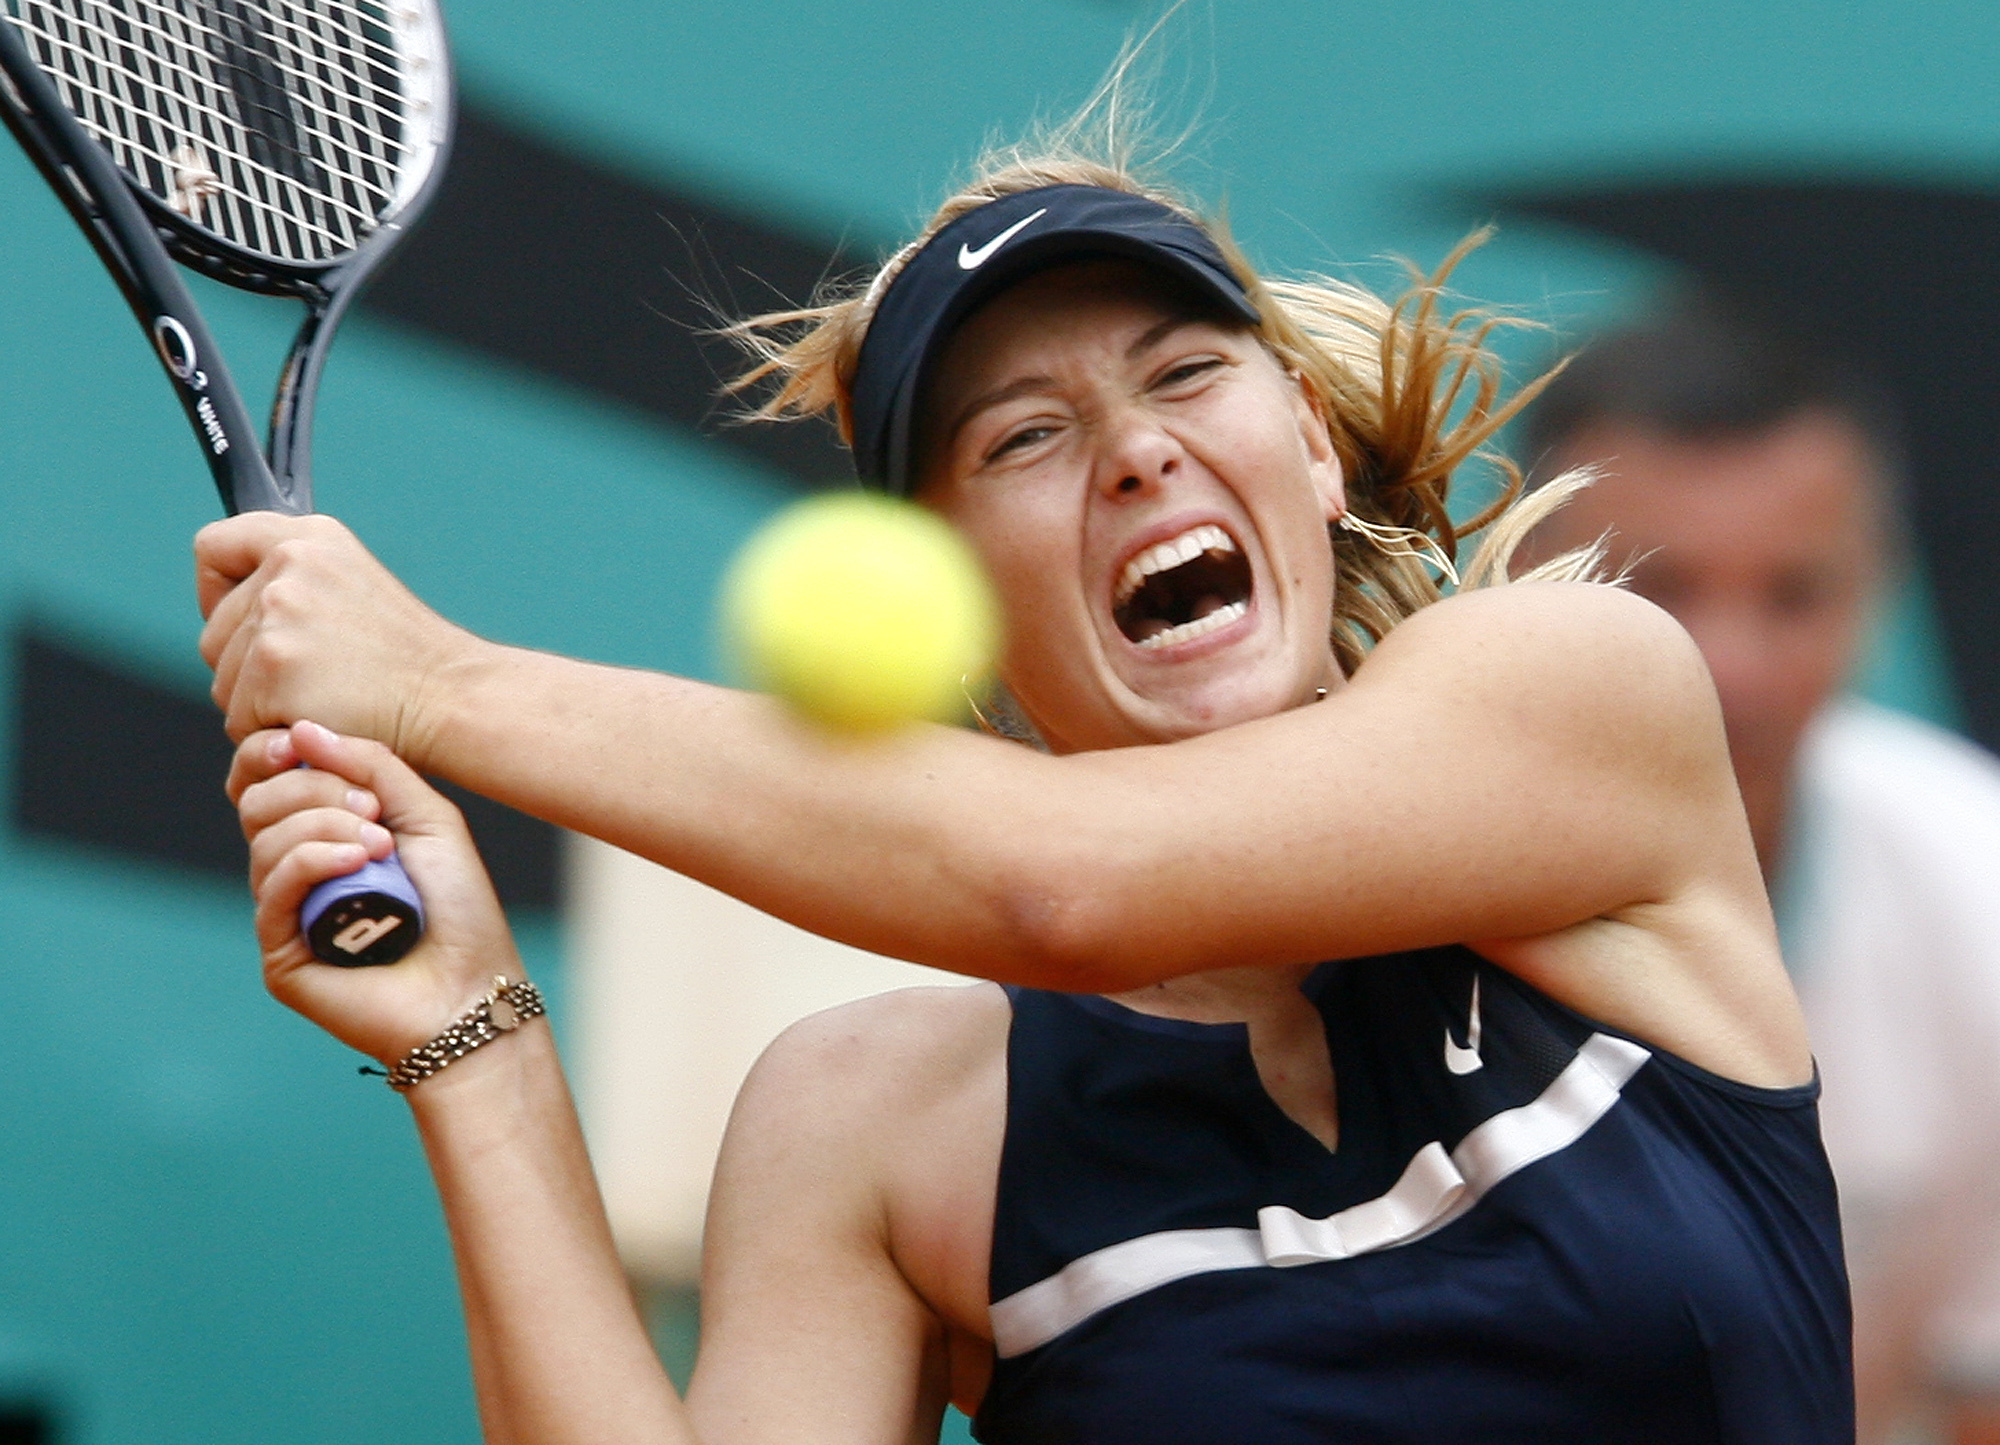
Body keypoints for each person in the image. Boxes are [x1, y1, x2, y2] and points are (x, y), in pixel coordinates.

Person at [197, 122, 1851, 1442]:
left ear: (1310, 441)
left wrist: (438, 684)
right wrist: (473, 1046)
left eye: (1184, 373)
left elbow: (1065, 885)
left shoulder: (1582, 694)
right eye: (1022, 438)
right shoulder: (881, 1126)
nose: (1136, 451)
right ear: (955, 600)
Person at [1520, 297, 2000, 1445]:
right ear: (1509, 572)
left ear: (1877, 586)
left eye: (1793, 592)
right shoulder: (1338, 917)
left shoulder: (1977, 875)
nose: (1725, 668)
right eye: (1657, 588)